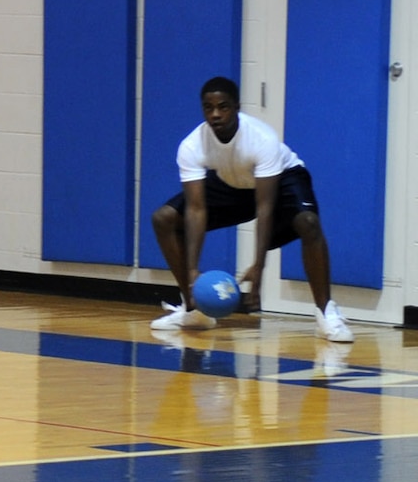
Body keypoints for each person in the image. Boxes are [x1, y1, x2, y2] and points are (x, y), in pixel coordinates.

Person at [149, 75, 351, 342]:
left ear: (237, 107)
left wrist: (259, 266)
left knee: (308, 223)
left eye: (223, 107)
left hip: (283, 180)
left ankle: (327, 314)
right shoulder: (192, 145)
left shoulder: (261, 138)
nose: (216, 114)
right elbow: (197, 209)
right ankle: (194, 309)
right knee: (164, 218)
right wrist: (192, 271)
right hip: (231, 183)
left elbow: (265, 207)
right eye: (208, 108)